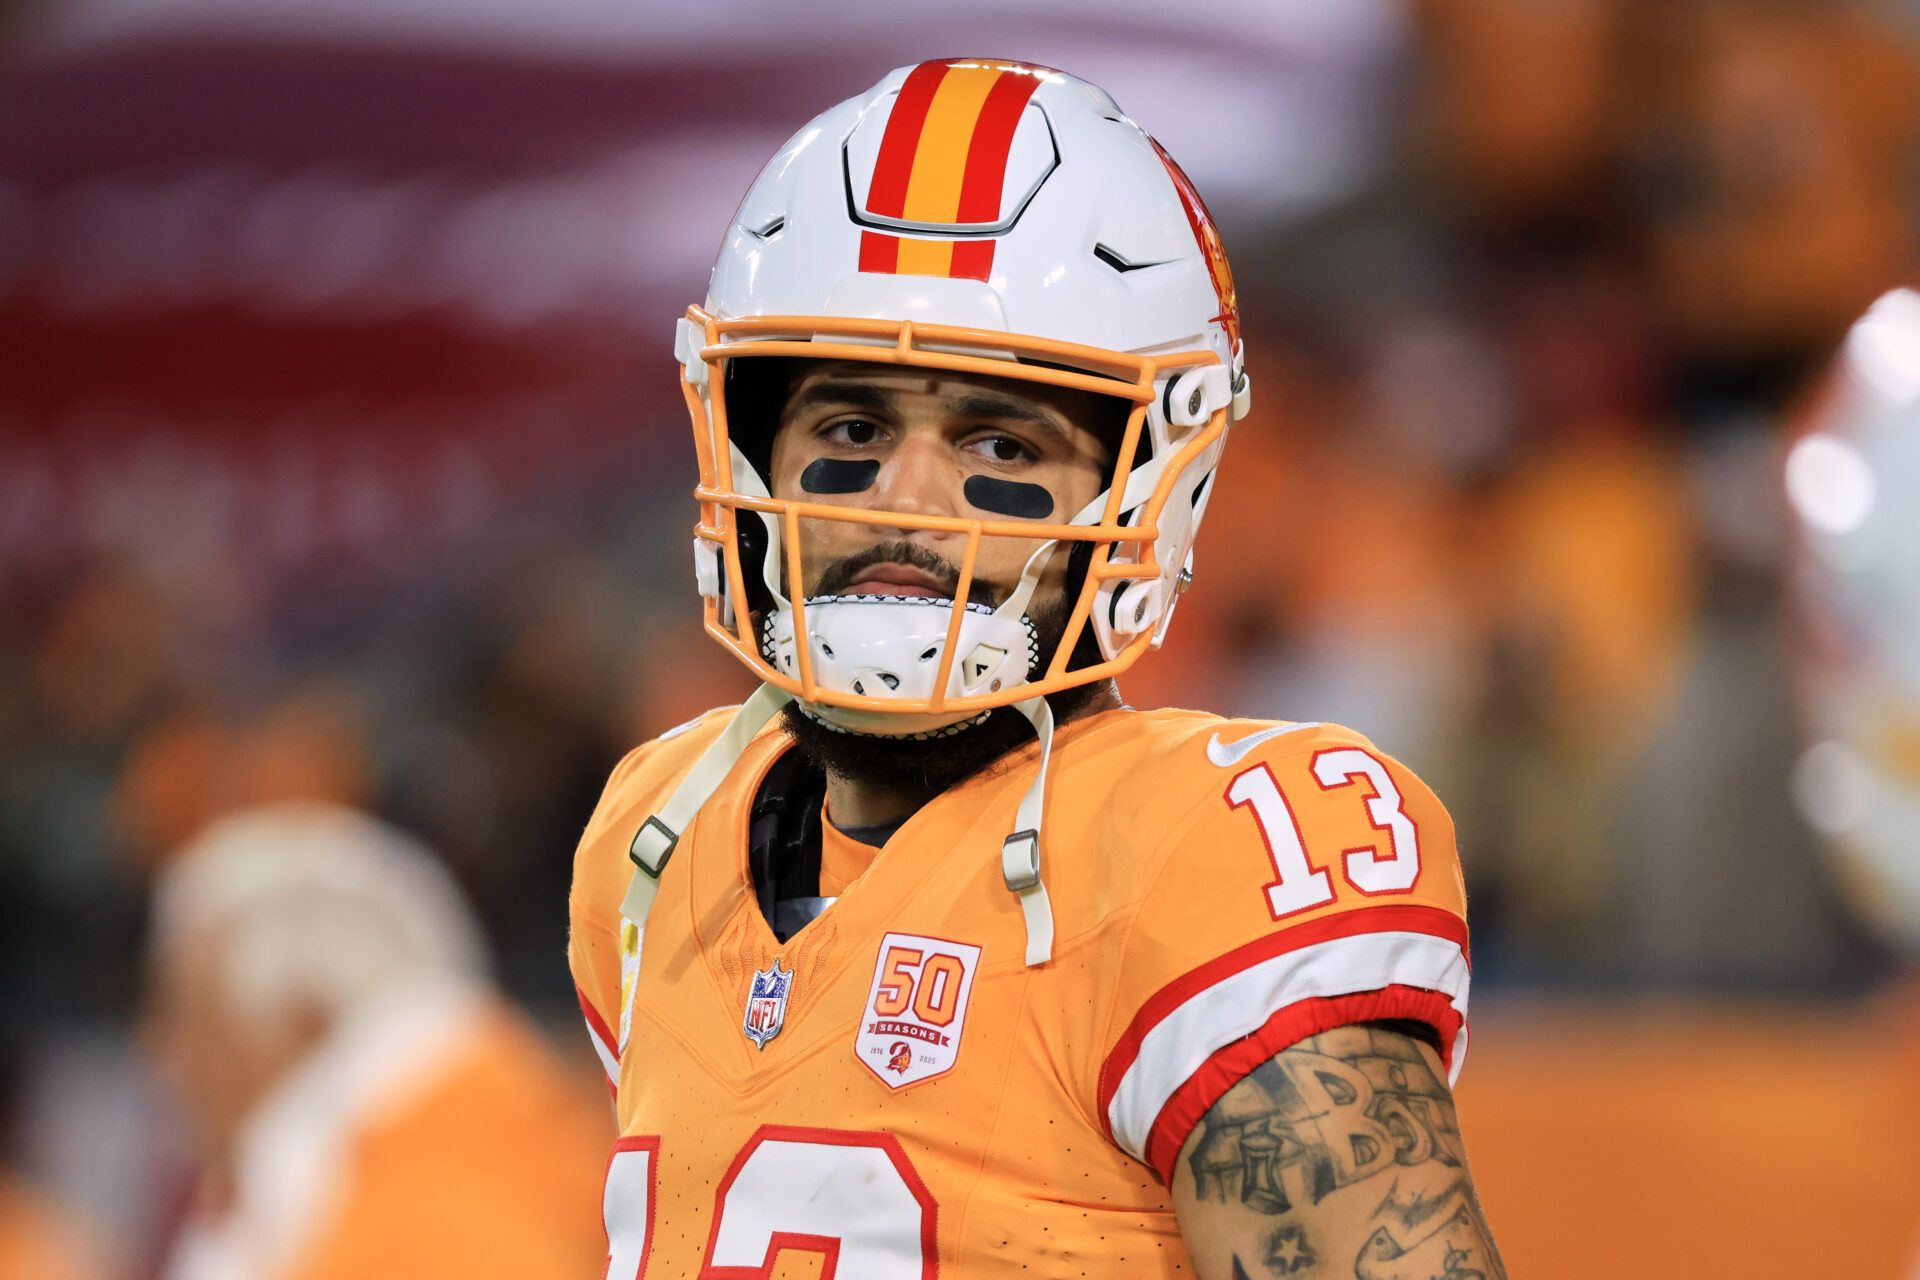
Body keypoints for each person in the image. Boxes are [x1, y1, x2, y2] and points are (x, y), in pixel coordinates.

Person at [570, 58, 1504, 1278]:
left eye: (998, 440)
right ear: (751, 446)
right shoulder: (656, 835)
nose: (907, 500)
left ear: (1147, 487)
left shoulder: (1195, 855)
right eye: (851, 427)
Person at [146, 804, 608, 1280]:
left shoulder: (440, 1203)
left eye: (196, 1020)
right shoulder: (491, 1141)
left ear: (303, 1020)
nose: (165, 1054)